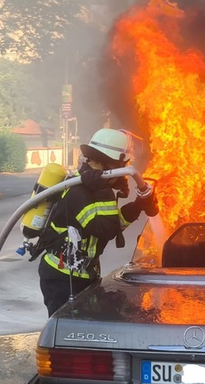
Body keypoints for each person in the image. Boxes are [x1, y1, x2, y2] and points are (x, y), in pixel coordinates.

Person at [36, 128, 158, 316]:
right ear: (107, 163)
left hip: (82, 274)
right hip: (62, 278)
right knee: (67, 327)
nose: (122, 172)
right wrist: (104, 191)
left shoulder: (92, 187)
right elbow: (106, 229)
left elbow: (110, 223)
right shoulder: (80, 191)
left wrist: (137, 206)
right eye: (120, 165)